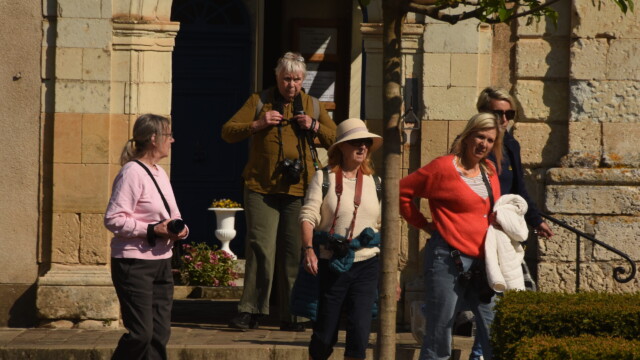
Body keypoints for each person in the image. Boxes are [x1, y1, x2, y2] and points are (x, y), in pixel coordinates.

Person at [222, 51, 336, 331]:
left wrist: (315, 125)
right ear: (277, 77)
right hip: (261, 188)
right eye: (286, 79)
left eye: (297, 79)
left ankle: (293, 314)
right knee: (261, 248)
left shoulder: (314, 105)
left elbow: (337, 139)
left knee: (294, 252)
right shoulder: (258, 101)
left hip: (299, 190)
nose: (292, 85)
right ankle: (251, 309)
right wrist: (258, 124)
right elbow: (228, 131)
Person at [400, 113, 503, 360]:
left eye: (490, 140)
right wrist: (423, 224)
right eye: (480, 136)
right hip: (447, 258)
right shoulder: (443, 167)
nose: (484, 144)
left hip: (483, 263)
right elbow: (402, 191)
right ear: (468, 136)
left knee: (493, 331)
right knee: (440, 333)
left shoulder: (489, 171)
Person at [466, 87, 555, 360]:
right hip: (478, 237)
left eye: (509, 113)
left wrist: (536, 220)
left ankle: (482, 354)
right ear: (483, 112)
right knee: (489, 305)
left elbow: (519, 189)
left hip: (505, 236)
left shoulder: (511, 145)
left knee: (504, 304)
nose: (504, 118)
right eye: (497, 112)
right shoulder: (472, 143)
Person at [104, 114, 189, 360]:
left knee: (159, 335)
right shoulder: (131, 172)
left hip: (162, 261)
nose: (172, 140)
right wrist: (152, 230)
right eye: (168, 135)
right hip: (134, 264)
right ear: (154, 139)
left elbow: (173, 214)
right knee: (141, 333)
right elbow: (114, 219)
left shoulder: (159, 173)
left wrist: (181, 230)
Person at [298, 118, 382, 360]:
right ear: (341, 147)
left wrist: (393, 275)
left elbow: (381, 227)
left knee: (360, 334)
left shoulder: (375, 183)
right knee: (325, 333)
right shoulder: (323, 178)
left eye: (365, 142)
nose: (362, 147)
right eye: (356, 142)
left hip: (366, 264)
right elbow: (308, 216)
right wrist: (309, 250)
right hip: (331, 262)